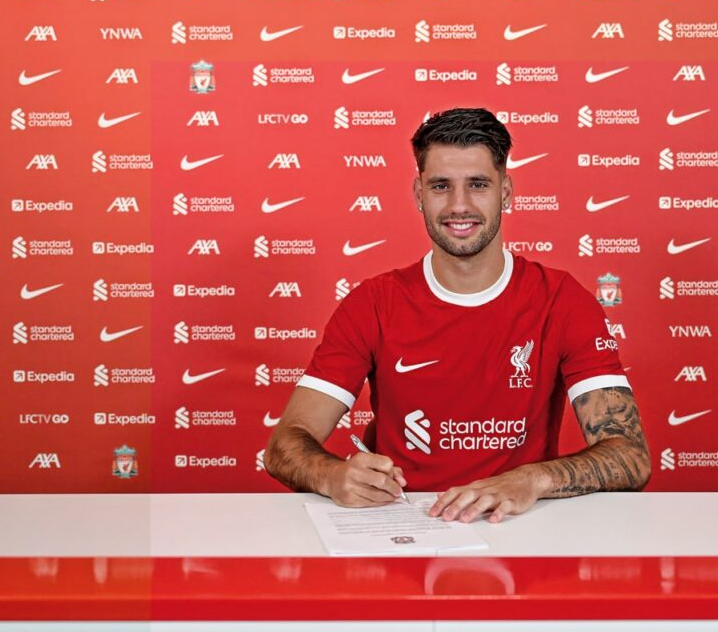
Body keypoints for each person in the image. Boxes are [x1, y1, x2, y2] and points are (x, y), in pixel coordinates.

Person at [264, 108, 650, 523]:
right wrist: (333, 476)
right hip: (404, 526)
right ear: (419, 194)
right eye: (441, 186)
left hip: (516, 524)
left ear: (505, 192)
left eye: (478, 185)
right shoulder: (373, 303)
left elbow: (630, 455)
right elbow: (285, 443)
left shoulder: (561, 300)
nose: (459, 205)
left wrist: (533, 480)